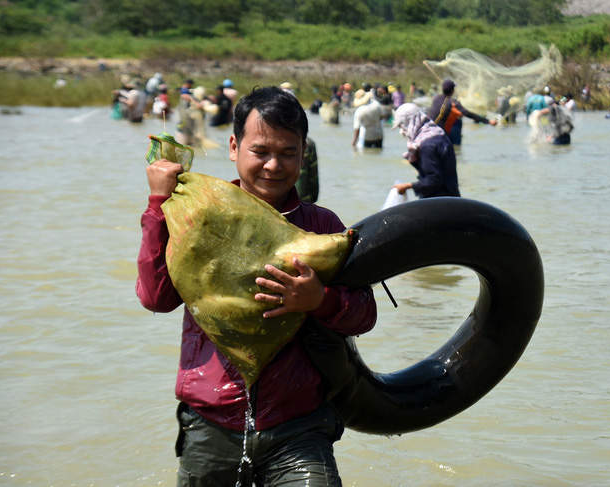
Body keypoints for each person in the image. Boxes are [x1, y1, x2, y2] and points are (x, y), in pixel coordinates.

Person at [137, 86, 377, 486]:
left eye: (288, 153)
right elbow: (156, 298)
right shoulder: (200, 217)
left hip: (298, 426)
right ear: (234, 147)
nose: (273, 166)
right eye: (260, 151)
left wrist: (320, 300)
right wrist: (158, 205)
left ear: (304, 154)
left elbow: (364, 315)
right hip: (210, 424)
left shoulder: (323, 228)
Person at [391, 103, 459, 198]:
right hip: (452, 196)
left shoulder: (427, 145)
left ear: (410, 122)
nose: (401, 132)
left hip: (439, 202)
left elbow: (434, 180)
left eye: (402, 127)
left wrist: (407, 186)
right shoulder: (438, 133)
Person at [427, 78, 495, 145]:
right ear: (452, 91)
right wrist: (488, 121)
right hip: (439, 137)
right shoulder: (452, 102)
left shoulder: (435, 98)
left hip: (427, 133)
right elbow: (469, 114)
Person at [296, 137, 319, 203]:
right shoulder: (309, 143)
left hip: (273, 205)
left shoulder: (269, 140)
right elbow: (313, 178)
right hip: (304, 202)